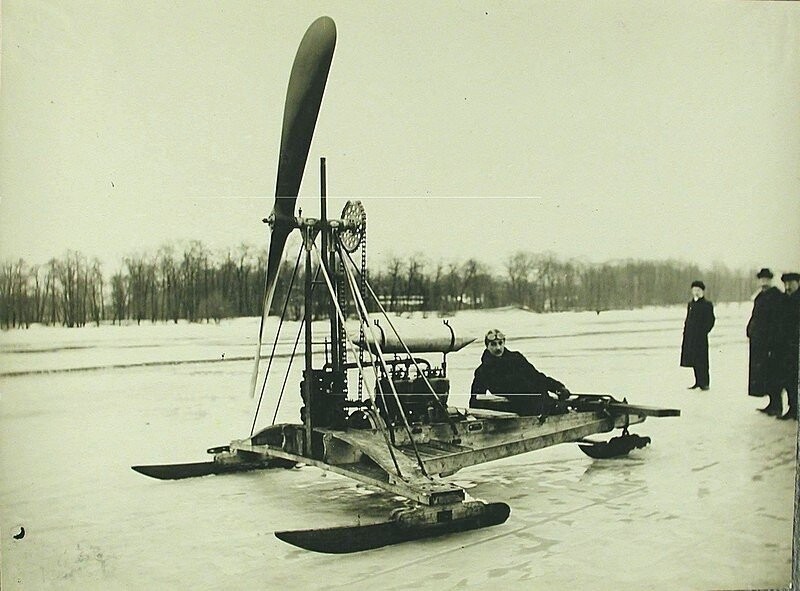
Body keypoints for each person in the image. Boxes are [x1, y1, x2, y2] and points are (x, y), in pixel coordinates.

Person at [469, 329, 571, 415]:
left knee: (547, 399)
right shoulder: (483, 371)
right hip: (510, 407)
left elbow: (536, 377)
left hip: (535, 399)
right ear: (487, 346)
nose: (498, 348)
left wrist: (557, 387)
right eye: (493, 344)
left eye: (500, 343)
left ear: (504, 343)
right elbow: (476, 399)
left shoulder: (516, 358)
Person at [746, 268, 785, 415]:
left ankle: (777, 405)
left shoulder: (776, 296)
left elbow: (777, 321)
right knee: (764, 374)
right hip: (759, 342)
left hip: (771, 342)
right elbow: (755, 316)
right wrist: (750, 329)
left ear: (771, 280)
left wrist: (772, 340)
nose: (764, 282)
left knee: (773, 372)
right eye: (762, 279)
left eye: (766, 279)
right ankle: (771, 403)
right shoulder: (760, 296)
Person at [680, 280, 715, 390]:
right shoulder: (691, 304)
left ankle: (704, 383)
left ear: (702, 291)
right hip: (691, 337)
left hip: (701, 338)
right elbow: (688, 319)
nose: (696, 292)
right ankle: (697, 381)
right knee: (694, 360)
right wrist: (686, 332)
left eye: (698, 290)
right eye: (694, 290)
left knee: (702, 360)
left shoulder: (707, 304)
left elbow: (711, 320)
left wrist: (704, 331)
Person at [777, 272, 800, 420]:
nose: (787, 286)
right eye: (785, 284)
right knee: (788, 378)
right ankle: (793, 408)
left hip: (796, 345)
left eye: (791, 283)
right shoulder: (784, 300)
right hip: (786, 347)